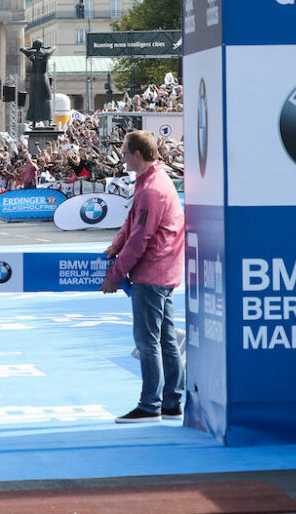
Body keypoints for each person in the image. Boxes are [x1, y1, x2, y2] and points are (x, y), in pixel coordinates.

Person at [100, 130, 185, 423]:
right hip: (164, 269)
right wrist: (117, 244)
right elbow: (131, 222)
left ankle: (150, 404)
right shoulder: (152, 182)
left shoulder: (151, 189)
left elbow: (140, 237)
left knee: (148, 340)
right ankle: (172, 401)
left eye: (124, 152)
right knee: (166, 339)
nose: (121, 157)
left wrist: (115, 274)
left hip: (153, 271)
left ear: (137, 154)